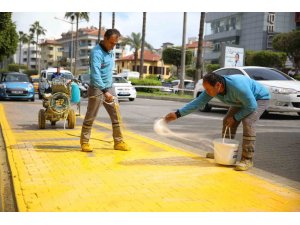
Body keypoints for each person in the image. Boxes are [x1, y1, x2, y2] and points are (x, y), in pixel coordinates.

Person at [164, 72, 270, 171]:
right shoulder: (212, 90)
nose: (207, 92)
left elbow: (251, 106)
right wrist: (177, 114)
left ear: (218, 85)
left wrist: (235, 118)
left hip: (259, 99)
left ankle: (247, 159)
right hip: (241, 101)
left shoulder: (237, 87)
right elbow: (197, 103)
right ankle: (224, 153)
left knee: (248, 122)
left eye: (208, 89)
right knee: (226, 121)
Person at [80, 29, 130, 152]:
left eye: (115, 44)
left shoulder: (111, 51)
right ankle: (84, 142)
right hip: (97, 88)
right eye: (111, 43)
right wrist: (104, 91)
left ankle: (118, 142)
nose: (113, 46)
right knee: (91, 116)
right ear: (105, 39)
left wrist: (109, 89)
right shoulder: (96, 53)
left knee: (116, 115)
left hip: (109, 87)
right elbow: (95, 74)